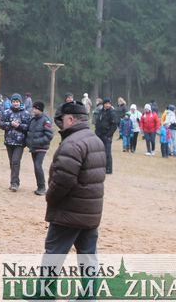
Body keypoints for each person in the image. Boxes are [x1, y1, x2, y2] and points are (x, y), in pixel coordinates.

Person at [44, 101, 106, 254]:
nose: (61, 124)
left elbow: (63, 181)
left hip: (68, 212)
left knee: (53, 256)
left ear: (71, 119)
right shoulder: (96, 140)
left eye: (63, 119)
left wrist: (50, 197)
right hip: (90, 212)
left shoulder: (71, 144)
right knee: (88, 257)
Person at [0, 93, 30, 191]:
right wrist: (10, 124)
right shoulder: (6, 112)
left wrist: (19, 126)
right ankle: (14, 180)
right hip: (9, 141)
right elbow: (1, 124)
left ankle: (14, 183)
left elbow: (28, 127)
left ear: (20, 102)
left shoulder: (26, 113)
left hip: (20, 142)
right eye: (14, 101)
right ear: (11, 102)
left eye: (17, 101)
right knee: (12, 162)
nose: (15, 103)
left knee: (16, 161)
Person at [26, 101, 54, 196]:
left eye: (35, 108)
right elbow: (29, 132)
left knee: (38, 166)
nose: (33, 110)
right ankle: (39, 187)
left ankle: (42, 187)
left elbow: (49, 135)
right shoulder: (33, 119)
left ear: (40, 109)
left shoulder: (46, 120)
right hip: (33, 147)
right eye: (33, 108)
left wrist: (38, 142)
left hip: (41, 147)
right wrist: (28, 142)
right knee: (36, 166)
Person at [94, 98, 118, 174]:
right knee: (99, 152)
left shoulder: (112, 112)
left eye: (109, 103)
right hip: (99, 135)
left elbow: (114, 126)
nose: (108, 105)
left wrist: (108, 135)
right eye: (106, 103)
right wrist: (96, 132)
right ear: (103, 104)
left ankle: (109, 169)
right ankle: (101, 167)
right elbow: (98, 122)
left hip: (107, 136)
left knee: (107, 153)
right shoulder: (100, 111)